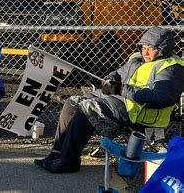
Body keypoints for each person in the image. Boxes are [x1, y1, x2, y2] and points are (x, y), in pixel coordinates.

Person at [35, 26, 184, 173]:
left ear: (163, 49)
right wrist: (111, 78)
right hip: (118, 100)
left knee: (86, 108)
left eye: (151, 48)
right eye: (143, 47)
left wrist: (121, 89)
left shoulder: (171, 68)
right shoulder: (137, 58)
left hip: (136, 113)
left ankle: (69, 161)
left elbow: (164, 98)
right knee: (72, 102)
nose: (145, 51)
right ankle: (57, 153)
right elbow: (119, 72)